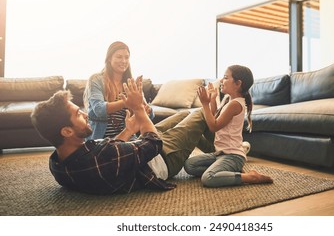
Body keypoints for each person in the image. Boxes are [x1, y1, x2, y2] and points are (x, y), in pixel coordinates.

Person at [31, 77, 212, 195]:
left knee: (182, 115)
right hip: (162, 157)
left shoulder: (57, 164)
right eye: (78, 113)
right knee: (199, 114)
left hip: (141, 146)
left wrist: (130, 130)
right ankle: (223, 153)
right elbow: (154, 143)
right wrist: (138, 109)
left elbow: (107, 152)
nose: (85, 114)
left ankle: (214, 152)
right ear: (67, 131)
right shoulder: (100, 157)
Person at [184, 65, 273, 187]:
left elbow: (213, 127)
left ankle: (250, 177)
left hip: (233, 156)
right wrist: (212, 100)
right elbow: (215, 119)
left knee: (208, 178)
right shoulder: (229, 101)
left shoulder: (235, 104)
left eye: (225, 77)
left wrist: (204, 103)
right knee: (189, 165)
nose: (221, 80)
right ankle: (226, 172)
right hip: (220, 154)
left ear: (238, 84)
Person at [83, 41, 153, 140]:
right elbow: (99, 109)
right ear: (109, 58)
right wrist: (127, 102)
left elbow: (149, 117)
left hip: (127, 138)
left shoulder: (131, 85)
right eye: (119, 57)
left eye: (127, 57)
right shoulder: (96, 80)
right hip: (101, 142)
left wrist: (141, 104)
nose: (124, 61)